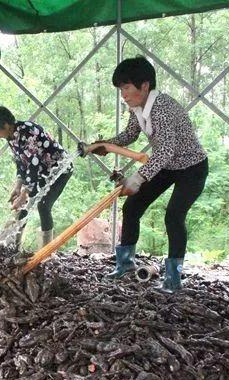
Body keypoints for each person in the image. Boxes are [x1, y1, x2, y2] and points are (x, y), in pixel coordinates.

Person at [88, 56, 208, 293]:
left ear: (144, 85)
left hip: (192, 168)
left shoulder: (163, 107)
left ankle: (173, 279)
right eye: (120, 89)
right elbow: (129, 135)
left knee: (173, 216)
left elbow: (166, 149)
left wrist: (139, 177)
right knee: (132, 207)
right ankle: (125, 264)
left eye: (126, 88)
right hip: (167, 166)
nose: (123, 94)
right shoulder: (137, 108)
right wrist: (104, 144)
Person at [0, 106, 73, 246]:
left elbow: (33, 165)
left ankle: (46, 250)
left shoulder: (28, 132)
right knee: (22, 207)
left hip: (59, 168)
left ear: (5, 125)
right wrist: (17, 187)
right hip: (42, 172)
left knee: (43, 205)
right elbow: (21, 163)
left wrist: (24, 194)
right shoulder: (11, 136)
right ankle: (13, 246)